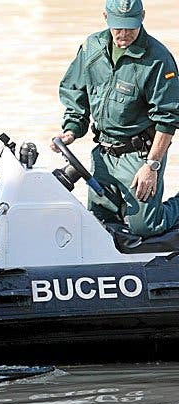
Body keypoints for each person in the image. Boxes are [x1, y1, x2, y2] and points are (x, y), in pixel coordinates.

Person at [53, 0, 179, 238]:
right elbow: (75, 91)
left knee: (145, 227)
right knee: (101, 223)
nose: (123, 34)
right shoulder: (92, 47)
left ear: (142, 16)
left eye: (130, 27)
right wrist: (71, 130)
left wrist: (151, 166)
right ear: (105, 17)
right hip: (103, 152)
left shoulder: (158, 59)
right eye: (118, 27)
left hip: (139, 156)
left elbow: (168, 119)